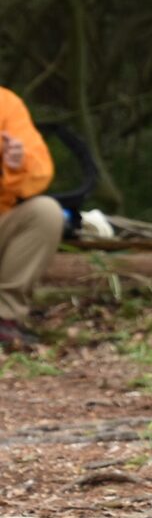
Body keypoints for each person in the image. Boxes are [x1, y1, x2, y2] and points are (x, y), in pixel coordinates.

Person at [0, 86, 62, 352]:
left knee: (45, 212)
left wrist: (17, 162)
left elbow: (41, 174)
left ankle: (5, 317)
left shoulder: (6, 103)